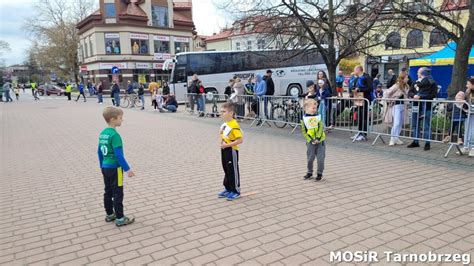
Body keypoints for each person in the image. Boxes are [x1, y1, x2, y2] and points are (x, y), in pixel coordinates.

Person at [97, 106, 135, 227]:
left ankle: (109, 214)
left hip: (105, 167)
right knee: (118, 192)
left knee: (107, 191)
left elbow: (99, 152)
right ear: (113, 119)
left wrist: (101, 166)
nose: (122, 120)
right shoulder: (115, 135)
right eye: (120, 118)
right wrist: (127, 169)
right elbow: (118, 155)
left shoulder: (103, 134)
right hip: (116, 169)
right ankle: (120, 217)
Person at [407, 67, 438, 151]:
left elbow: (433, 95)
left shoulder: (432, 83)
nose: (417, 74)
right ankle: (415, 141)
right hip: (416, 106)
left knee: (426, 126)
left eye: (419, 72)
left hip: (427, 107)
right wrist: (414, 96)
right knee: (415, 124)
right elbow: (410, 92)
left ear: (423, 73)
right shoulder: (415, 82)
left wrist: (421, 97)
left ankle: (427, 143)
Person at [218, 102, 244, 201]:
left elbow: (240, 140)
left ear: (231, 113)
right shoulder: (225, 124)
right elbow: (224, 135)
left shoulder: (234, 125)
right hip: (224, 149)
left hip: (231, 150)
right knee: (226, 169)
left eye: (224, 112)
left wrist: (227, 145)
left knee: (233, 170)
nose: (221, 113)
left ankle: (236, 190)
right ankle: (228, 188)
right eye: (221, 112)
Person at [301, 99, 326, 181]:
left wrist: (318, 138)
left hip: (320, 141)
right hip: (310, 142)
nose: (315, 110)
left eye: (316, 108)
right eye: (313, 108)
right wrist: (311, 140)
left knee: (320, 159)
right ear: (306, 108)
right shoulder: (303, 120)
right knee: (310, 158)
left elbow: (320, 128)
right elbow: (304, 132)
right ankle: (309, 172)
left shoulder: (318, 117)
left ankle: (319, 174)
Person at [384, 71, 409, 146]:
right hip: (396, 106)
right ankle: (392, 139)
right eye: (406, 77)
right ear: (403, 78)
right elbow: (386, 93)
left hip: (403, 106)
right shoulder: (397, 85)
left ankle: (396, 138)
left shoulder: (406, 86)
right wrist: (389, 101)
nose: (407, 79)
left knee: (400, 123)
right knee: (396, 123)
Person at [352, 65, 373, 141]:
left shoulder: (367, 77)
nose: (354, 71)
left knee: (364, 117)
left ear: (358, 70)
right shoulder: (357, 78)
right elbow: (355, 87)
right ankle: (359, 132)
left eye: (355, 69)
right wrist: (354, 89)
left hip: (365, 100)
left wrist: (360, 89)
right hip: (359, 100)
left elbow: (370, 88)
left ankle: (364, 134)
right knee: (359, 117)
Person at [460, 78, 474, 155]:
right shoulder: (467, 92)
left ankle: (472, 147)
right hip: (468, 113)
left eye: (468, 84)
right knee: (467, 129)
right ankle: (466, 146)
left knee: (472, 130)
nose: (466, 85)